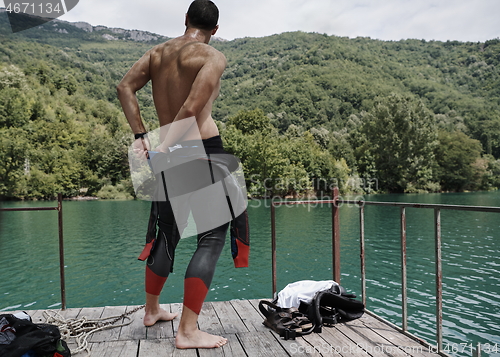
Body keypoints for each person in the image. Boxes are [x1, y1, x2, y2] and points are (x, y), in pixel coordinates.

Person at [117, 0, 249, 349]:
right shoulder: (211, 57)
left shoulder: (157, 53)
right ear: (215, 30)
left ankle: (151, 311)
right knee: (212, 237)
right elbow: (191, 109)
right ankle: (188, 331)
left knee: (168, 233)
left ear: (186, 19)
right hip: (201, 150)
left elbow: (124, 87)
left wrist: (142, 137)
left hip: (169, 152)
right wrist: (163, 147)